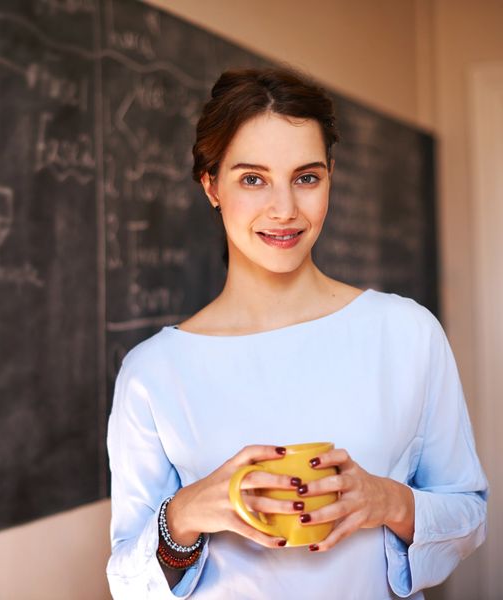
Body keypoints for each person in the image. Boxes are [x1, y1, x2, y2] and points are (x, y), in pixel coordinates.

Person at [105, 66, 488, 599]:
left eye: (306, 178)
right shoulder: (153, 372)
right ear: (211, 185)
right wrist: (184, 516)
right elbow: (128, 583)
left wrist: (386, 501)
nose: (284, 210)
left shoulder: (405, 333)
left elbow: (469, 513)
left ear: (330, 175)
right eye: (253, 178)